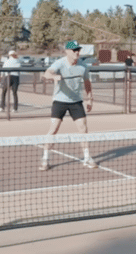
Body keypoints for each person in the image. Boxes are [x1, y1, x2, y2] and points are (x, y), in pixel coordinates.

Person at [40, 40, 96, 170]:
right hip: (60, 101)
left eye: (78, 50)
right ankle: (45, 158)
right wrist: (53, 77)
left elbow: (87, 83)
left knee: (83, 129)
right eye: (74, 50)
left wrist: (90, 99)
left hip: (76, 102)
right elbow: (47, 73)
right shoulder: (60, 63)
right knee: (53, 129)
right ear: (67, 51)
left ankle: (87, 158)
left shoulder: (82, 66)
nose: (77, 52)